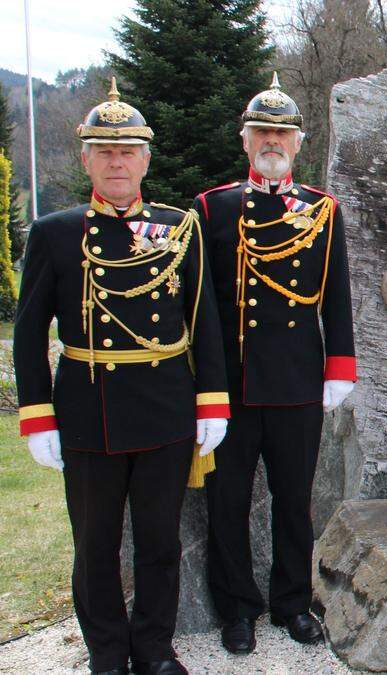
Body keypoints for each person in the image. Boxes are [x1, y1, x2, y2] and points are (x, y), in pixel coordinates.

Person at [14, 79, 229, 675]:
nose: (116, 161)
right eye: (103, 151)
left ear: (145, 159)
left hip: (164, 410)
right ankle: (107, 654)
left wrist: (212, 404)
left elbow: (203, 322)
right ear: (85, 158)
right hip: (87, 414)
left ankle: (155, 651)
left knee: (160, 544)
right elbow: (29, 335)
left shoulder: (177, 227)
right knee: (95, 549)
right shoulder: (55, 233)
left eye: (127, 150)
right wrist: (37, 416)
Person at [194, 73, 356, 655]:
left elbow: (337, 295)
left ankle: (291, 602)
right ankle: (236, 609)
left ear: (297, 142)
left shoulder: (322, 209)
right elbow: (201, 310)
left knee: (294, 499)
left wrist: (339, 367)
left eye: (282, 133)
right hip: (232, 385)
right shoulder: (212, 208)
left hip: (295, 378)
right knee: (227, 501)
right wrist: (205, 389)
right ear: (245, 141)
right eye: (261, 131)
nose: (271, 141)